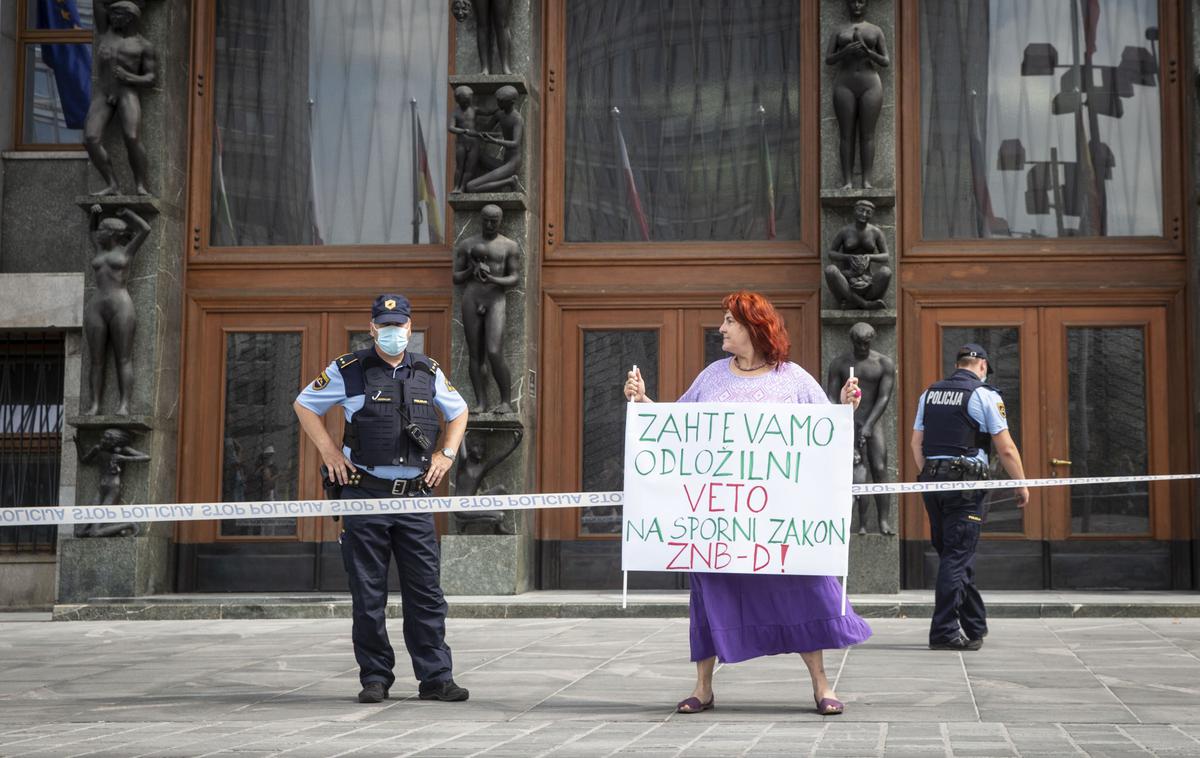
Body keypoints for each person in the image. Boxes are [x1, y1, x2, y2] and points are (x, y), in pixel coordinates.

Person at [623, 291, 872, 716]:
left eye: (728, 321)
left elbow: (825, 429)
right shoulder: (712, 376)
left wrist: (845, 406)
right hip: (720, 520)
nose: (721, 328)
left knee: (805, 590)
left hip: (776, 523)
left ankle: (821, 685)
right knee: (710, 596)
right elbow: (676, 423)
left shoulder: (792, 378)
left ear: (754, 327)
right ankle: (702, 688)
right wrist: (643, 401)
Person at [293, 294, 470, 704]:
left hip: (414, 499)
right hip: (366, 494)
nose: (393, 333)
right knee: (369, 594)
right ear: (372, 328)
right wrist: (330, 453)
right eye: (385, 325)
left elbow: (459, 412)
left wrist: (446, 454)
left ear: (411, 328)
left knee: (426, 593)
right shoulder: (349, 370)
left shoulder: (428, 370)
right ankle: (375, 677)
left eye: (400, 325)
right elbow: (305, 405)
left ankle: (436, 678)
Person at [910, 343, 1029, 651]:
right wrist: (1021, 484)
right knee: (956, 556)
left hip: (932, 484)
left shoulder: (929, 393)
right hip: (965, 486)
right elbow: (1005, 448)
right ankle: (944, 632)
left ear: (958, 364)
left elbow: (915, 444)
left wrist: (931, 476)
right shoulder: (984, 395)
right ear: (983, 366)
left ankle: (974, 624)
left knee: (955, 554)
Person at [825, 322, 895, 535]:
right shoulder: (839, 363)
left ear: (871, 340)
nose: (862, 347)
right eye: (858, 343)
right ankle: (841, 520)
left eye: (866, 343)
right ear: (852, 341)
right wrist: (840, 422)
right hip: (847, 420)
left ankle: (883, 520)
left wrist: (869, 425)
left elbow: (884, 397)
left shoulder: (884, 363)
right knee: (843, 471)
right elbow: (830, 396)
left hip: (872, 420)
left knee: (880, 468)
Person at [86, 0, 159, 196]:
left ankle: (141, 185)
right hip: (104, 91)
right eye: (112, 14)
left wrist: (130, 77)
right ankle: (112, 184)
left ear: (129, 18)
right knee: (91, 138)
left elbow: (151, 78)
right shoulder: (105, 31)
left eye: (117, 15)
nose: (112, 18)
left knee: (132, 137)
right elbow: (98, 3)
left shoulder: (144, 46)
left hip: (127, 92)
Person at [452, 204, 519, 413]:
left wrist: (492, 278)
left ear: (500, 221)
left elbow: (514, 277)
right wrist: (472, 269)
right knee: (475, 354)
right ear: (481, 220)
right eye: (487, 220)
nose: (490, 225)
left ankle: (506, 401)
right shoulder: (467, 244)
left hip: (495, 298)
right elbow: (456, 276)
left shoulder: (509, 246)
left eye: (494, 221)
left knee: (494, 350)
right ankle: (481, 402)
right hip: (472, 296)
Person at [84, 204, 150, 416]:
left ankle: (124, 405)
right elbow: (91, 232)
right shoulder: (99, 250)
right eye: (100, 229)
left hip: (120, 304)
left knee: (123, 357)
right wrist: (95, 216)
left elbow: (145, 230)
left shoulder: (126, 251)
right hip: (97, 305)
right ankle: (94, 405)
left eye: (103, 229)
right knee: (96, 360)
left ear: (112, 233)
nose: (99, 233)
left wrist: (128, 213)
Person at [825, 0, 889, 189]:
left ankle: (867, 181)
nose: (857, 6)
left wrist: (868, 52)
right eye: (853, 2)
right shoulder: (839, 30)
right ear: (847, 4)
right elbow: (828, 59)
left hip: (870, 83)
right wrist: (844, 52)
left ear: (867, 4)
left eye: (861, 1)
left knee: (868, 134)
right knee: (846, 133)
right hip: (845, 82)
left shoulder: (875, 30)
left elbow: (885, 60)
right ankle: (847, 181)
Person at [824, 199, 891, 310]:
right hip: (847, 280)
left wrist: (869, 257)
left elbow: (886, 256)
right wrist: (849, 257)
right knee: (830, 270)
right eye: (861, 210)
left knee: (886, 272)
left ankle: (854, 303)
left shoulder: (876, 232)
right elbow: (832, 253)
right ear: (854, 211)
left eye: (868, 212)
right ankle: (864, 304)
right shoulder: (845, 231)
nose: (864, 214)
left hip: (867, 279)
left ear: (872, 214)